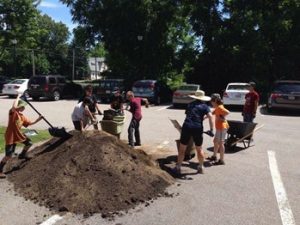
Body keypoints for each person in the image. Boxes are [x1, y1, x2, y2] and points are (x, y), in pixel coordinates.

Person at [0, 94, 43, 179]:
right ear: (19, 106)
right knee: (8, 155)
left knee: (29, 143)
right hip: (11, 136)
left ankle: (22, 155)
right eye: (22, 106)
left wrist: (38, 119)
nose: (24, 108)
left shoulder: (22, 116)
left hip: (18, 135)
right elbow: (14, 106)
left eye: (24, 107)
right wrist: (18, 96)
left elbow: (30, 123)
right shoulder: (13, 113)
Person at [174, 90, 214, 174]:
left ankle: (178, 167)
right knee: (199, 149)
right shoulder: (205, 106)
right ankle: (201, 167)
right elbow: (210, 116)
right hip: (197, 127)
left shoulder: (190, 104)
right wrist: (211, 129)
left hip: (187, 126)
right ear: (203, 98)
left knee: (182, 149)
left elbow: (189, 115)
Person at [208, 93, 230, 165]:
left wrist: (222, 117)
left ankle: (221, 160)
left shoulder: (220, 107)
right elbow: (211, 113)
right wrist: (204, 117)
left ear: (215, 101)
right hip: (219, 128)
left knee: (221, 143)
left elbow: (227, 112)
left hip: (222, 127)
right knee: (215, 141)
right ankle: (214, 156)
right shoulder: (217, 108)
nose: (211, 104)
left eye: (212, 102)